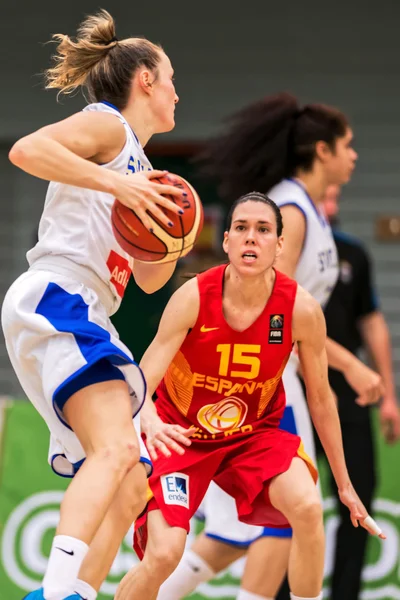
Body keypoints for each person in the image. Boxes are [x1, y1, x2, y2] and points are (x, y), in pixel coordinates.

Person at [154, 93, 385, 600]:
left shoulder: (308, 211)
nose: (355, 156)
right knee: (287, 518)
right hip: (264, 384)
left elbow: (302, 315)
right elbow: (278, 313)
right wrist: (353, 367)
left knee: (243, 532)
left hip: (270, 384)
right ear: (322, 151)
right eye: (348, 146)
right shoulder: (292, 213)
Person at [1, 10, 189, 600]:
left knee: (129, 485)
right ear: (147, 83)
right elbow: (27, 151)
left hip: (86, 309)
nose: (180, 93)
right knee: (115, 449)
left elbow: (151, 282)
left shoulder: (144, 171)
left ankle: (78, 590)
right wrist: (119, 185)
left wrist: (173, 237)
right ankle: (57, 592)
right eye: (172, 78)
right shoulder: (107, 126)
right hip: (59, 295)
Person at [319, 184, 400, 600]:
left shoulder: (352, 253)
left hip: (350, 391)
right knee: (285, 497)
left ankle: (344, 594)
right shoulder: (283, 252)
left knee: (359, 493)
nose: (329, 206)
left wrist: (388, 394)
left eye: (335, 198)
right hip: (293, 385)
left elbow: (372, 321)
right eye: (322, 197)